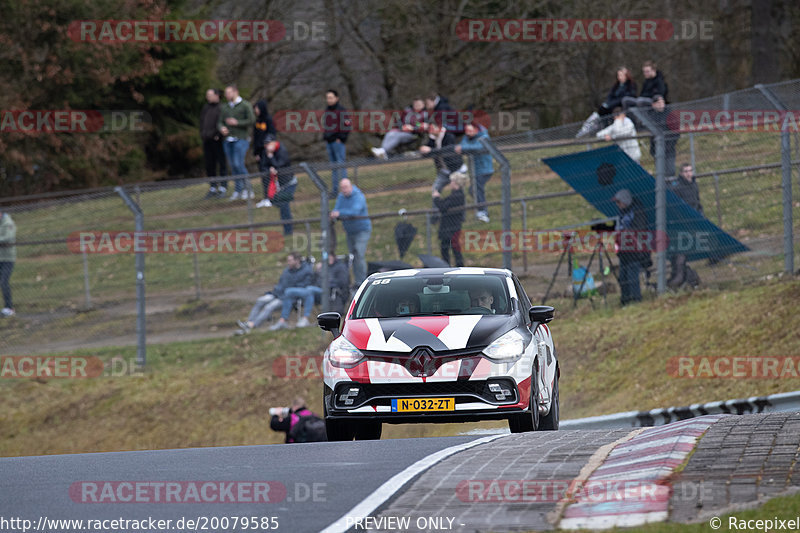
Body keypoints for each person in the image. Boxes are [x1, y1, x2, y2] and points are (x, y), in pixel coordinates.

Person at [235, 252, 312, 334]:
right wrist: (274, 292)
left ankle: (252, 325)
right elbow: (281, 284)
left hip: (288, 298)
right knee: (260, 300)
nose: (288, 262)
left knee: (269, 306)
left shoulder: (306, 271)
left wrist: (285, 293)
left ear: (297, 260)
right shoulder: (287, 270)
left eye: (290, 260)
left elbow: (303, 286)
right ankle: (248, 322)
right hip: (277, 294)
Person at [668, 163, 703, 289]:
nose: (689, 174)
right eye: (686, 171)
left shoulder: (694, 185)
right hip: (681, 225)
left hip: (693, 224)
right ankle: (681, 277)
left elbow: (698, 202)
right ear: (681, 173)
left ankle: (685, 277)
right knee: (679, 254)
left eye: (690, 171)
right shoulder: (676, 187)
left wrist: (700, 215)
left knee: (683, 253)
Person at [218, 84, 256, 200]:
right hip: (228, 140)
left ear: (235, 92)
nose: (226, 95)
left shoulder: (245, 105)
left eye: (228, 93)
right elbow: (220, 122)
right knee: (233, 166)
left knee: (238, 163)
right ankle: (237, 190)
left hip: (241, 139)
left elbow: (252, 120)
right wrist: (221, 128)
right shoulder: (225, 107)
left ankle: (247, 189)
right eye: (226, 93)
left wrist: (237, 123)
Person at [331, 179, 371, 286]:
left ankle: (362, 282)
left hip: (362, 230)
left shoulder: (358, 196)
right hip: (350, 232)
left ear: (351, 186)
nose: (344, 190)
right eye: (342, 188)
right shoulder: (341, 197)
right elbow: (336, 211)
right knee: (352, 256)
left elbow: (354, 212)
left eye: (346, 187)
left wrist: (339, 213)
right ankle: (356, 281)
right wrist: (336, 214)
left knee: (358, 253)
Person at [613, 189, 650, 306]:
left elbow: (639, 231)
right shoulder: (622, 213)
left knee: (632, 275)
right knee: (623, 276)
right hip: (624, 250)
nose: (618, 205)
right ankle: (625, 300)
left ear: (626, 201)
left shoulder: (637, 212)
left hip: (635, 250)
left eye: (619, 202)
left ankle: (636, 299)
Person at [576, 67, 637, 138]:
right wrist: (607, 103)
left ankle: (593, 129)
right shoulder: (616, 85)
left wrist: (611, 104)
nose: (619, 77)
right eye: (618, 75)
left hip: (618, 105)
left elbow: (627, 96)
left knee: (605, 110)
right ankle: (587, 129)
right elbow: (610, 95)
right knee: (600, 110)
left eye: (621, 75)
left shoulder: (630, 85)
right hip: (611, 104)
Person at [456, 123, 494, 222]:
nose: (467, 133)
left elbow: (478, 147)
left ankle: (482, 212)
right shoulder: (467, 137)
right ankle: (482, 209)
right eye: (466, 130)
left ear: (476, 129)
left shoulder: (483, 136)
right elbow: (463, 146)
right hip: (475, 170)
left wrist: (464, 148)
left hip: (485, 169)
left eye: (470, 130)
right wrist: (464, 148)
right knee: (474, 190)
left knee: (476, 189)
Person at [259, 139, 297, 236]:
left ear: (274, 142)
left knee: (284, 205)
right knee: (277, 203)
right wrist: (270, 169)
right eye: (265, 144)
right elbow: (263, 166)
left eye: (269, 144)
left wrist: (271, 157)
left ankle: (288, 231)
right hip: (278, 184)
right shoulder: (265, 152)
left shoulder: (282, 150)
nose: (267, 146)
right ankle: (288, 222)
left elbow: (279, 164)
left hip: (289, 183)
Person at [433, 172, 467, 267]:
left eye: (452, 181)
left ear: (456, 183)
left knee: (449, 249)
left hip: (450, 227)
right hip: (451, 226)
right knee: (450, 248)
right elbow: (444, 204)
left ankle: (451, 267)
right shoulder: (456, 195)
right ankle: (451, 266)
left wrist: (436, 198)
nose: (450, 183)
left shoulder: (457, 196)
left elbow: (443, 206)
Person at [419, 121, 463, 196]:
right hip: (444, 170)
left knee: (457, 192)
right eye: (429, 129)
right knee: (435, 190)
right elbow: (429, 151)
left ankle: (461, 207)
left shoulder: (449, 136)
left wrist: (431, 150)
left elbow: (448, 150)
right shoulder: (432, 138)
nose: (430, 131)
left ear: (439, 128)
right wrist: (423, 150)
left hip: (455, 169)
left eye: (432, 129)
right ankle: (436, 207)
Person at [199, 88, 228, 199]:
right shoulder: (206, 108)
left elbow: (223, 123)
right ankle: (213, 187)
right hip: (207, 140)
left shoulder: (221, 108)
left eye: (210, 95)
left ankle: (223, 187)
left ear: (216, 96)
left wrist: (218, 135)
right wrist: (202, 134)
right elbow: (202, 122)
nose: (208, 97)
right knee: (209, 164)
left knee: (221, 164)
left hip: (217, 141)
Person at [323, 89, 351, 197]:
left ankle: (345, 190)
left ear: (336, 98)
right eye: (327, 98)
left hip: (337, 142)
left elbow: (347, 126)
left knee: (341, 166)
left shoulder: (341, 110)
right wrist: (326, 137)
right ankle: (335, 191)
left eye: (331, 97)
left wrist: (341, 138)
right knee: (333, 168)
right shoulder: (327, 111)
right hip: (329, 142)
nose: (329, 100)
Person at [646, 95, 679, 177]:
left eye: (662, 102)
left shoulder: (670, 115)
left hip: (669, 148)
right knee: (660, 172)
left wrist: (670, 144)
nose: (661, 104)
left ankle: (671, 188)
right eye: (658, 102)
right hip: (657, 148)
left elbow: (676, 132)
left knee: (670, 171)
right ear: (653, 105)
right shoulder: (651, 116)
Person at [0, 209, 16, 317]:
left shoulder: (8, 223)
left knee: (4, 282)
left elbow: (8, 237)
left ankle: (9, 307)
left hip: (8, 259)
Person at [252, 100, 277, 166]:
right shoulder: (257, 122)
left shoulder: (268, 120)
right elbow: (255, 137)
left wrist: (268, 145)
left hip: (267, 148)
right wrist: (256, 152)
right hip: (259, 150)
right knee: (262, 168)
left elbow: (272, 134)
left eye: (257, 108)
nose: (255, 110)